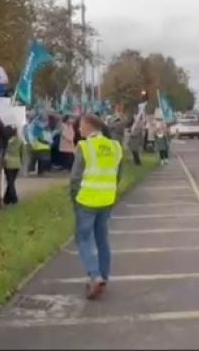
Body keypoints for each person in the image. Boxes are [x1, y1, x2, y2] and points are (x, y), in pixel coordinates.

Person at [71, 114, 123, 300]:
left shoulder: (84, 146)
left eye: (81, 126)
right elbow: (118, 174)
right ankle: (104, 277)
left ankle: (95, 275)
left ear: (90, 126)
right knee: (102, 239)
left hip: (86, 199)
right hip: (107, 199)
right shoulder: (115, 146)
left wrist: (74, 198)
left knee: (83, 238)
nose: (79, 130)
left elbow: (76, 177)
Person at [3, 126, 23, 205]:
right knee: (11, 181)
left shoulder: (7, 142)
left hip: (8, 162)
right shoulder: (20, 141)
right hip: (17, 162)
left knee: (10, 181)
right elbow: (22, 153)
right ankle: (7, 198)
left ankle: (14, 198)